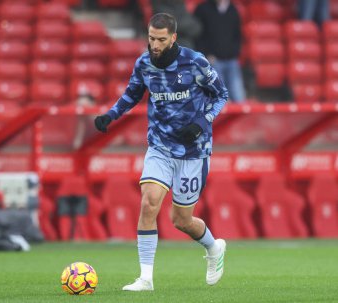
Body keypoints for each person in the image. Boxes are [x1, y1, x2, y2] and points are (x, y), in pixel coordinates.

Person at [94, 13, 228, 291]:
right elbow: (132, 94)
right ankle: (145, 279)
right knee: (149, 203)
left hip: (193, 151)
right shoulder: (144, 63)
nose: (154, 45)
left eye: (161, 40)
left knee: (181, 221)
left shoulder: (195, 62)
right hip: (160, 147)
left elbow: (221, 95)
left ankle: (214, 247)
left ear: (173, 38)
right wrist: (110, 115)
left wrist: (203, 122)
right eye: (151, 38)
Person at [194, 0, 246, 103]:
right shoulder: (202, 9)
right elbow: (197, 36)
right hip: (212, 62)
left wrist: (235, 52)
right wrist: (206, 55)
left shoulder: (233, 10)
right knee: (219, 98)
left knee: (239, 96)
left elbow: (238, 35)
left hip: (231, 60)